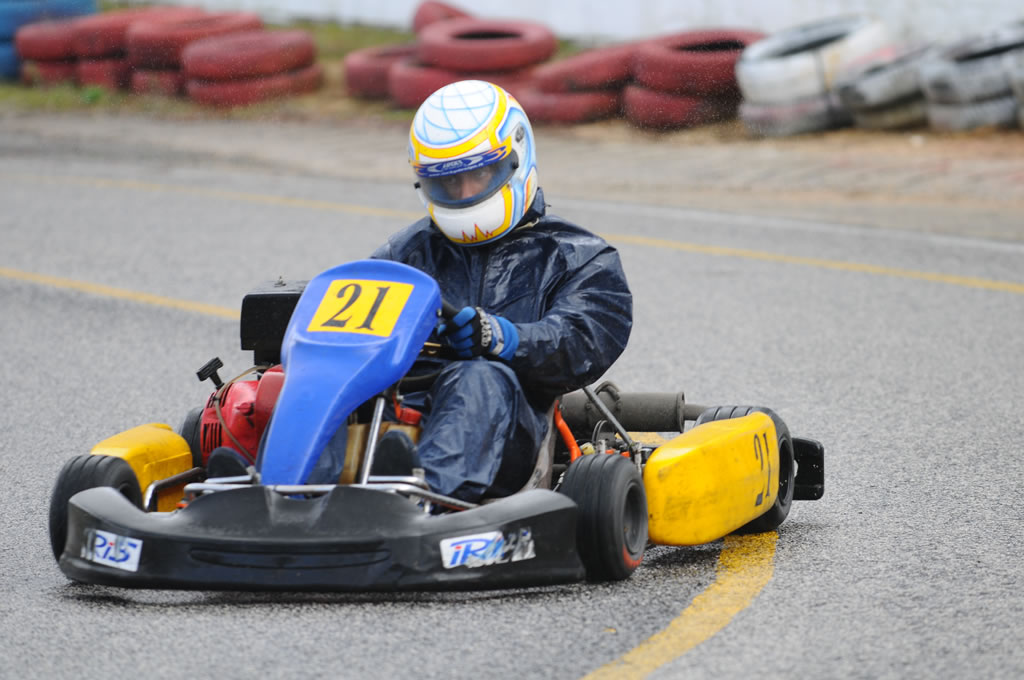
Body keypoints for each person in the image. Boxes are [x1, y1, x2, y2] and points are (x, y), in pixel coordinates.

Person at [369, 79, 632, 503]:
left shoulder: (577, 256)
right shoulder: (402, 254)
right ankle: (278, 490)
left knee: (478, 374)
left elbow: (582, 341)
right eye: (448, 183)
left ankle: (424, 503)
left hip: (511, 433)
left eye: (479, 174)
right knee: (294, 380)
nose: (465, 193)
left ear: (515, 157)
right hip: (401, 414)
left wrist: (504, 338)